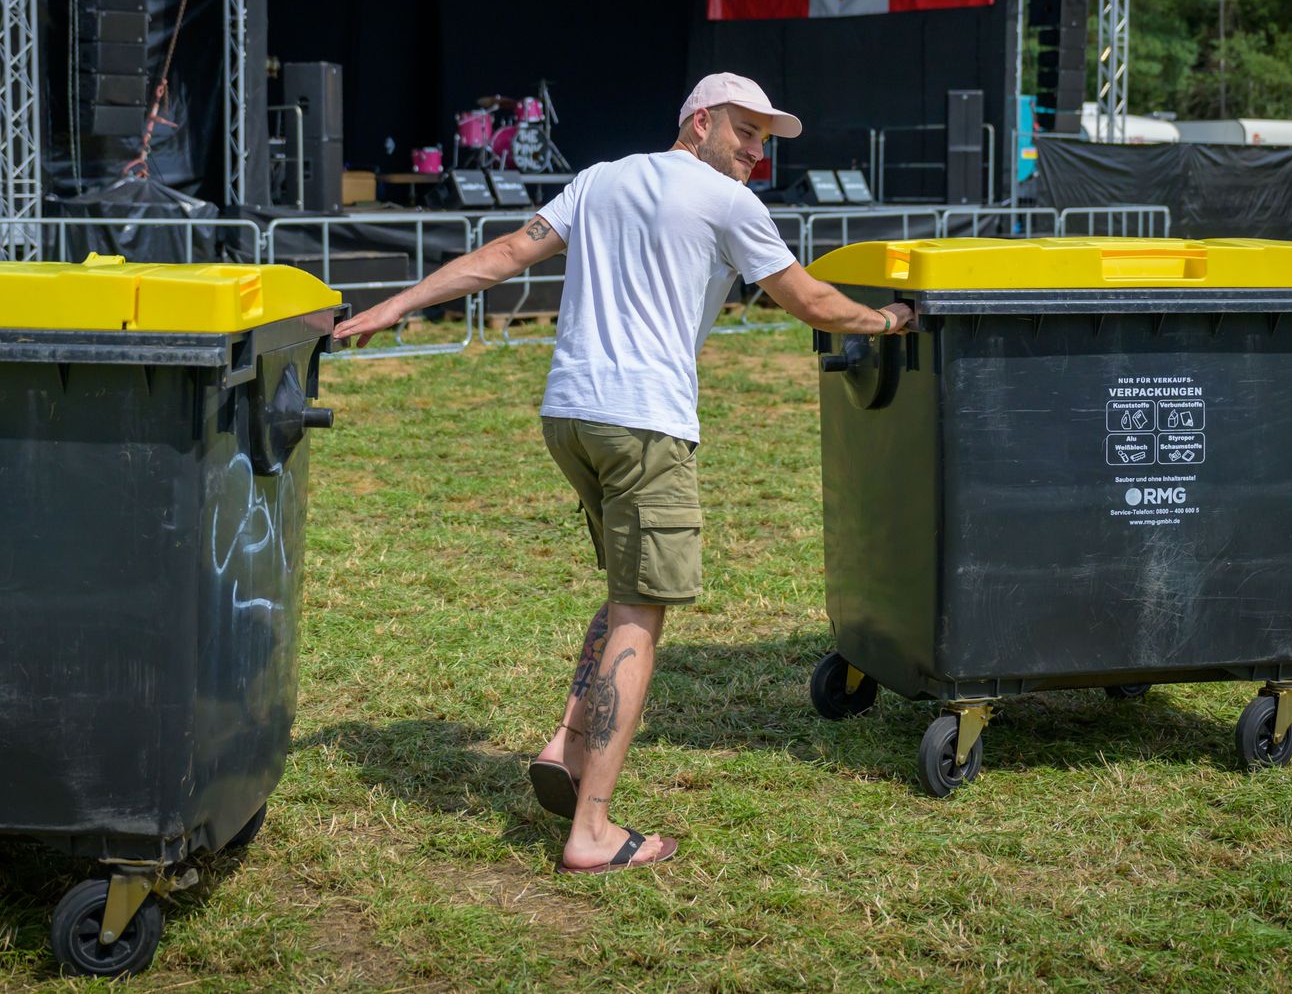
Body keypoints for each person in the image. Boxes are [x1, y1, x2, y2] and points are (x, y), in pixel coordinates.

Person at [333, 72, 914, 874]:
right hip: (644, 424)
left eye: (764, 137)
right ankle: (593, 830)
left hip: (570, 417)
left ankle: (568, 743)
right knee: (642, 613)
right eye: (745, 130)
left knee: (623, 593)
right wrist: (885, 319)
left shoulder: (600, 179)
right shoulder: (728, 201)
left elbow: (504, 255)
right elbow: (809, 300)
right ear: (700, 121)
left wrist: (397, 304)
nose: (756, 150)